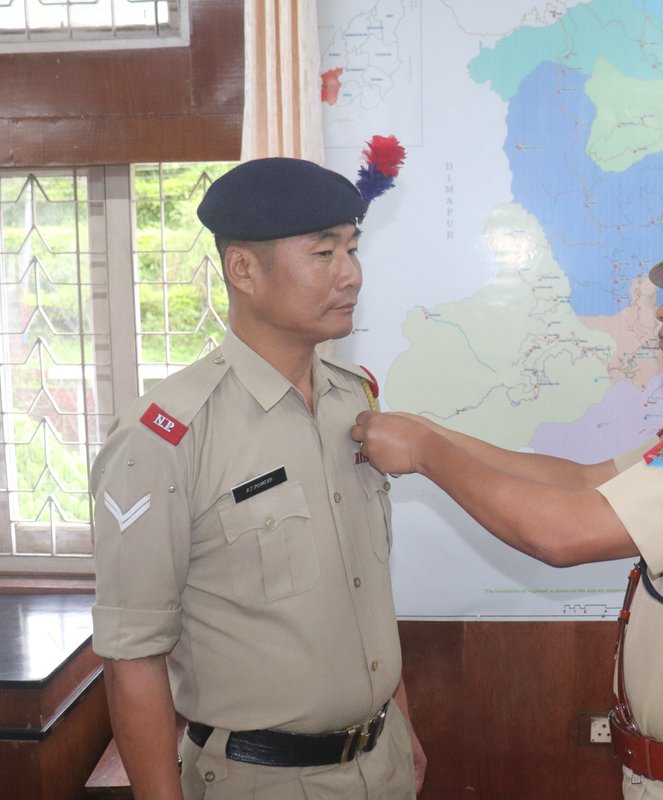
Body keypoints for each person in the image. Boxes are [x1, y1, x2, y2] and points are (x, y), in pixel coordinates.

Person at [351, 194, 663, 798]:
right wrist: (429, 432)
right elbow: (584, 482)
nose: (661, 312)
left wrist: (425, 456)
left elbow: (563, 533)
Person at [91, 157, 425, 800]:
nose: (351, 275)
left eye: (353, 250)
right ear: (243, 268)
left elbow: (366, 589)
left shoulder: (354, 404)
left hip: (383, 764)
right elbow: (133, 653)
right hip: (260, 781)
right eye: (323, 253)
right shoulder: (165, 438)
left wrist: (401, 731)